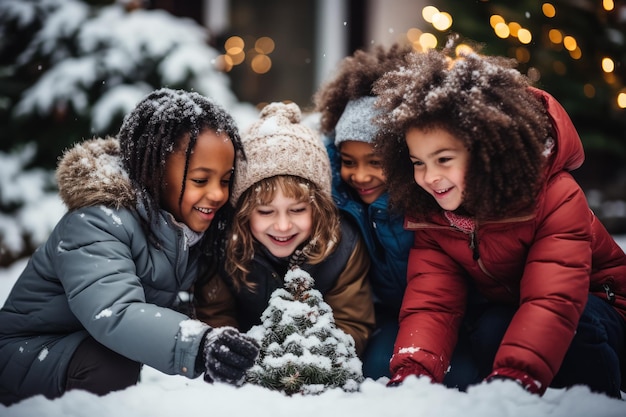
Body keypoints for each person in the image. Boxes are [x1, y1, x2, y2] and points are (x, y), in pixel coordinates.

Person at [372, 48, 626, 398]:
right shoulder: (435, 215)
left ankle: (596, 401)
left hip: (599, 308)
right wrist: (412, 374)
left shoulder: (555, 196)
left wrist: (515, 378)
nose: (430, 177)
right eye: (418, 162)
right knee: (490, 330)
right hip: (519, 307)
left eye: (444, 159)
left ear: (487, 149)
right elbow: (433, 302)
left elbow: (553, 298)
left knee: (576, 324)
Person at [0, 88, 260, 405]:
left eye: (225, 180)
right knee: (109, 362)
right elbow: (114, 313)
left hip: (78, 348)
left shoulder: (186, 230)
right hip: (25, 356)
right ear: (154, 173)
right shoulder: (97, 222)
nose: (218, 194)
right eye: (200, 180)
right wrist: (200, 345)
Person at [194, 102, 375, 356]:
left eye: (298, 210)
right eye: (266, 211)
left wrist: (315, 357)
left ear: (319, 208)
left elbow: (352, 324)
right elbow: (216, 316)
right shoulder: (225, 244)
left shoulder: (342, 247)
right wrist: (232, 353)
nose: (282, 225)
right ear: (243, 212)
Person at [313, 44, 415, 379]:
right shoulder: (340, 200)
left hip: (450, 312)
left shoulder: (423, 199)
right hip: (384, 314)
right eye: (348, 162)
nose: (360, 176)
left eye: (376, 162)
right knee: (376, 370)